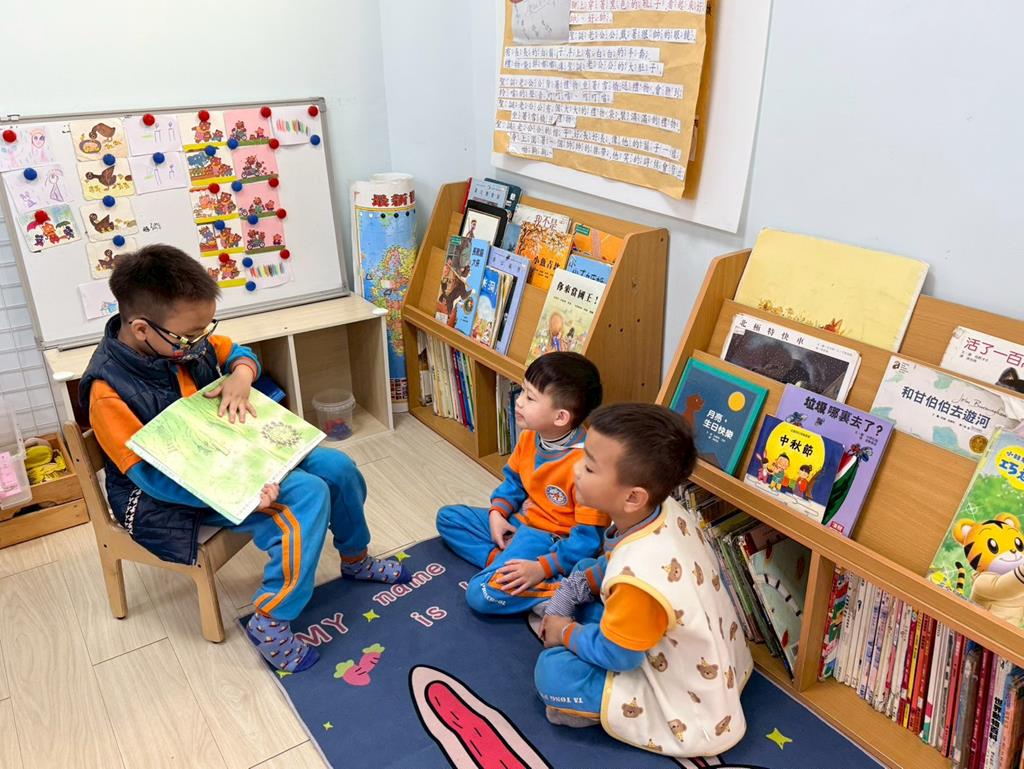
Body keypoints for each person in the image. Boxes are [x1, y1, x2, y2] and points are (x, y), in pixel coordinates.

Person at [79, 244, 409, 674]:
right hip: (164, 497)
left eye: (206, 329)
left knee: (338, 468)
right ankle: (272, 618)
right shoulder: (107, 390)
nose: (201, 341)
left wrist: (241, 375)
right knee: (305, 495)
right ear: (141, 329)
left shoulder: (183, 342)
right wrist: (238, 494)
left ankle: (355, 558)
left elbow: (239, 352)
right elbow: (152, 478)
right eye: (191, 335)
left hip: (230, 457)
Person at [534, 403, 751, 758]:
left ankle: (587, 709)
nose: (575, 469)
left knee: (553, 672)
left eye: (589, 466)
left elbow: (619, 656)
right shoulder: (663, 510)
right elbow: (615, 558)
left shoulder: (637, 581)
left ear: (633, 497)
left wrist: (565, 633)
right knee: (590, 571)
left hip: (687, 704)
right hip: (705, 654)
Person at [436, 352, 605, 614]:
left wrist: (542, 568)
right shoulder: (530, 436)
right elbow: (514, 482)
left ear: (561, 417)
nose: (519, 401)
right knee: (448, 518)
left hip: (550, 540)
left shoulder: (587, 465)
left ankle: (565, 591)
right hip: (520, 522)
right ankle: (505, 565)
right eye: (522, 391)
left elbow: (587, 540)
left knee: (480, 594)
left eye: (530, 397)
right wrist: (497, 512)